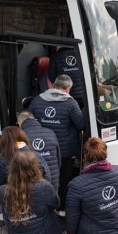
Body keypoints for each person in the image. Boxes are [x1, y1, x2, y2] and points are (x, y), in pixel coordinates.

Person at [28, 74, 85, 211]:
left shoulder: (38, 100)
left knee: (40, 178)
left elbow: (27, 120)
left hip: (40, 148)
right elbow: (81, 124)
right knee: (63, 180)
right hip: (64, 150)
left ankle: (39, 208)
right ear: (68, 89)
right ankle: (61, 208)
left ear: (53, 85)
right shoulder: (71, 103)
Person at [17, 111, 61, 189]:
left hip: (30, 185)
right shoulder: (51, 132)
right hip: (52, 183)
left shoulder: (20, 136)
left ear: (20, 123)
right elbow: (58, 159)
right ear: (34, 120)